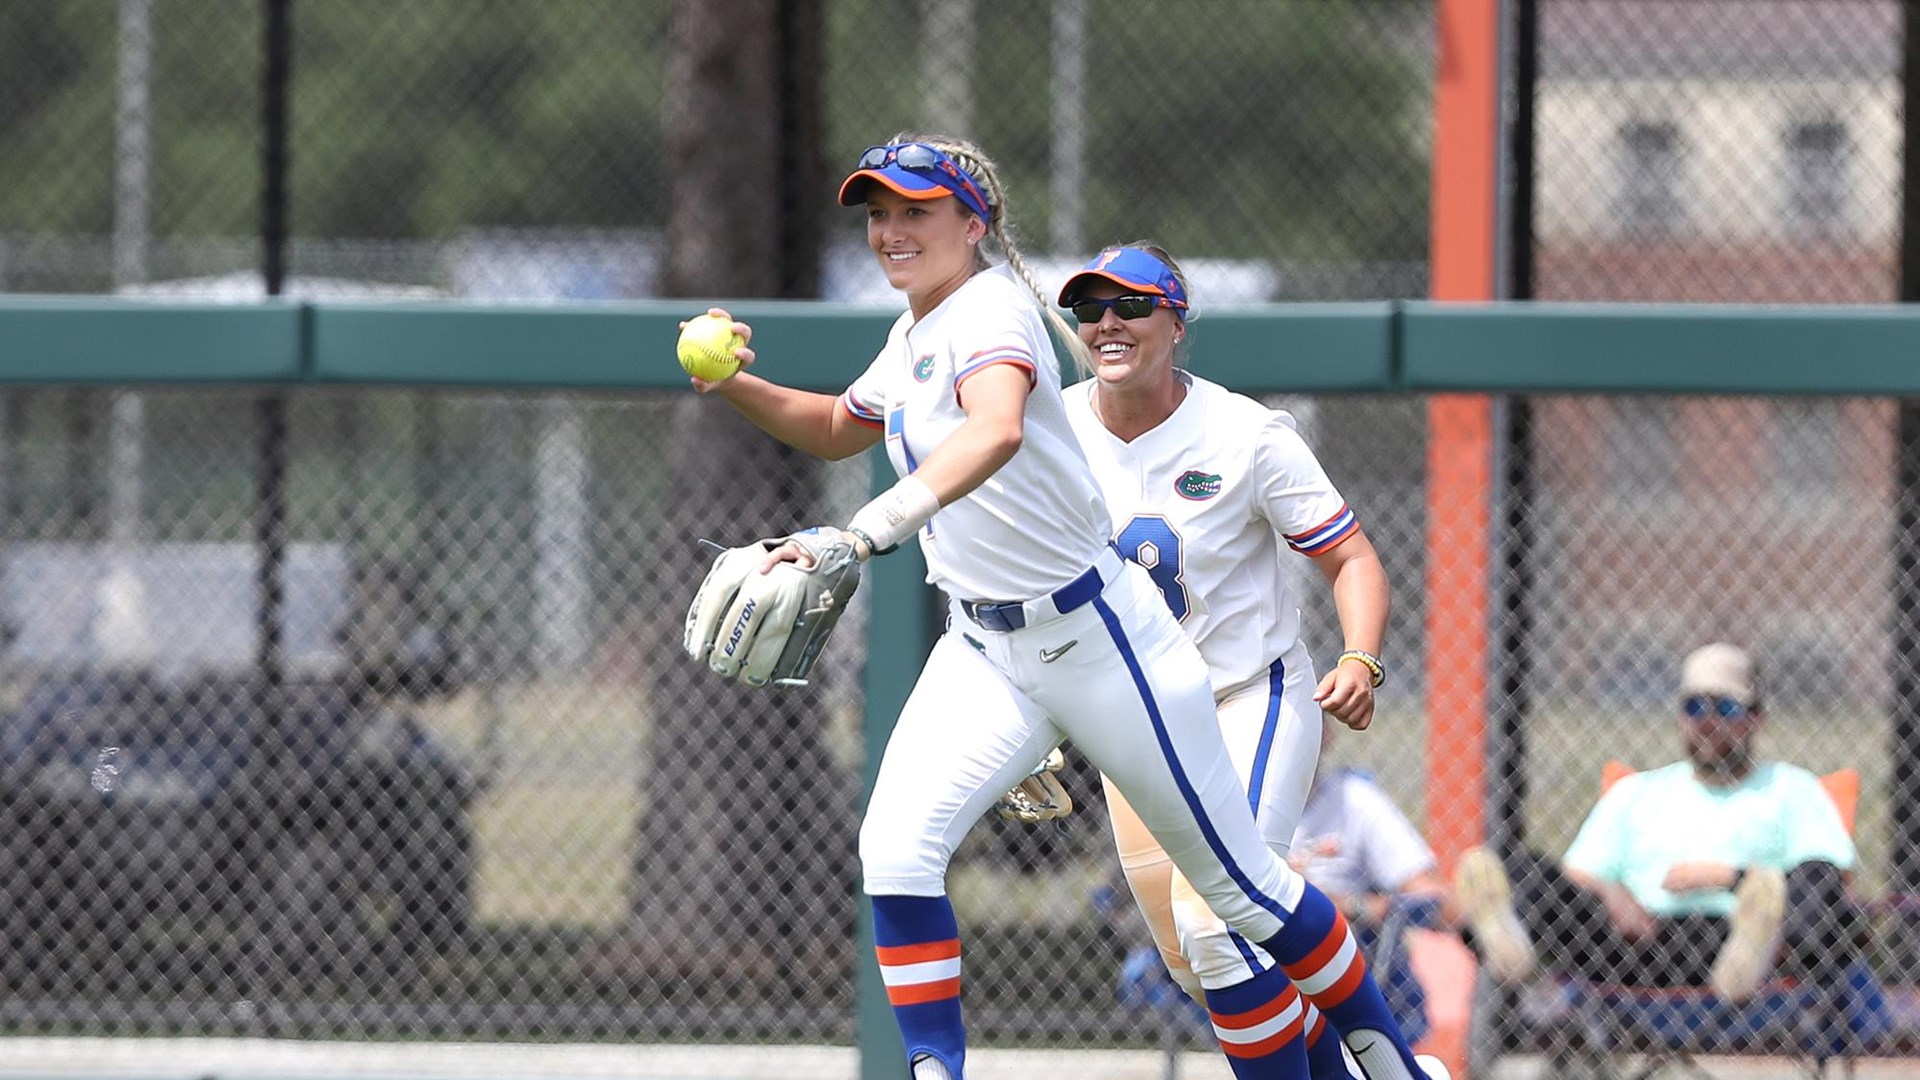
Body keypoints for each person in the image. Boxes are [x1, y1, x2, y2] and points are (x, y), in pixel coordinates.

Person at [680, 137, 1440, 1080]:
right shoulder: (916, 334)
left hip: (1110, 644)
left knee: (1239, 903)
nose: (890, 230)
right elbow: (840, 427)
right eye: (878, 214)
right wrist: (735, 386)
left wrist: (863, 534)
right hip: (986, 645)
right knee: (897, 851)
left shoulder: (993, 309)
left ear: (974, 224)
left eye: (916, 211)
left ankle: (1391, 1065)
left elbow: (996, 429)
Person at [1052, 244, 1438, 1080]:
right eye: (1089, 308)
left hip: (1245, 696)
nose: (1108, 323)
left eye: (1131, 305)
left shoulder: (1246, 434)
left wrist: (1362, 658)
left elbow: (1352, 558)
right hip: (1130, 721)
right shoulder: (1050, 430)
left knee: (1219, 926)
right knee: (1203, 967)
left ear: (1177, 322)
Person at [1453, 643, 1865, 1013]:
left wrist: (1728, 878)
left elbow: (1827, 882)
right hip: (1634, 945)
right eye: (1694, 707)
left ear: (1756, 719)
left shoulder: (1792, 789)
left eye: (1725, 708)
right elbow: (1579, 873)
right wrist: (1611, 893)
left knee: (1815, 877)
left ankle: (1750, 955)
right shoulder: (1637, 791)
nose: (1707, 721)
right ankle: (1515, 949)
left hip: (1730, 932)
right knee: (1521, 867)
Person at [1290, 717, 1449, 1046]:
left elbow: (1431, 896)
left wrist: (1348, 905)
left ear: (1326, 734)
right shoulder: (1232, 802)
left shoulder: (1354, 799)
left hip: (1343, 954)